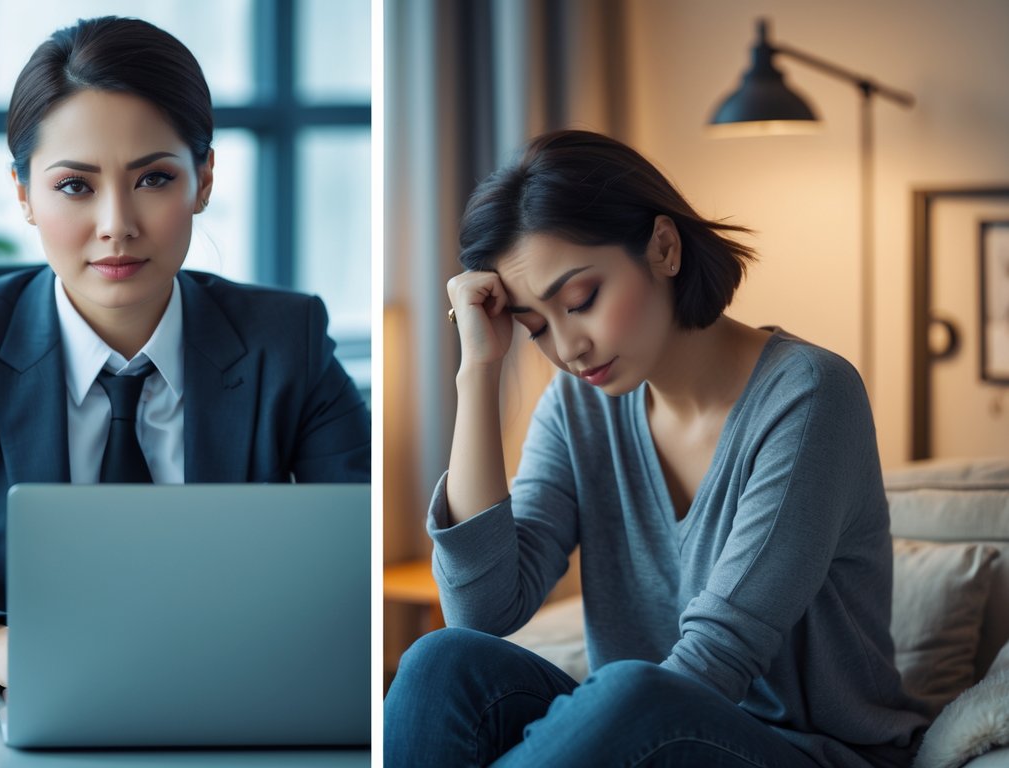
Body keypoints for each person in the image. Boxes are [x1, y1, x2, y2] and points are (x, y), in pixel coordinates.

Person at [0, 16, 369, 693]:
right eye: (75, 185)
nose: (116, 225)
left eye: (154, 179)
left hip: (233, 709)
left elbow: (355, 573)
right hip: (14, 727)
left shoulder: (289, 341)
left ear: (204, 180)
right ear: (23, 195)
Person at [383, 130, 927, 767]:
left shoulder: (810, 397)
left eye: (581, 300)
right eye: (535, 327)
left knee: (632, 691)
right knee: (441, 661)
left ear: (663, 248)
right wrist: (477, 369)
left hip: (804, 753)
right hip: (646, 730)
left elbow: (714, 660)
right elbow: (480, 610)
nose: (568, 349)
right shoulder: (578, 405)